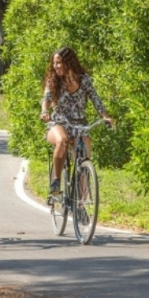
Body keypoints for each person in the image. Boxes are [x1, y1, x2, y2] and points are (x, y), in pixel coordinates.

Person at [40, 47, 114, 196]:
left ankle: (80, 207)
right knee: (63, 140)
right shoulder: (53, 79)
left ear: (69, 62)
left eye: (59, 63)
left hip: (80, 124)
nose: (56, 66)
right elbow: (46, 99)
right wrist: (44, 111)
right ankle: (56, 181)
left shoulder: (83, 79)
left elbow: (96, 100)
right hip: (58, 122)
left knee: (84, 161)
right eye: (54, 63)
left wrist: (106, 116)